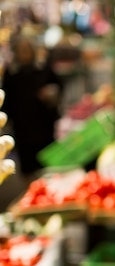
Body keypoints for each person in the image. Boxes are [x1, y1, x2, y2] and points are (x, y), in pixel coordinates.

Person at [1, 35, 63, 179]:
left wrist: (51, 92)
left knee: (47, 161)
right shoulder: (11, 73)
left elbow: (58, 86)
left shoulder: (44, 69)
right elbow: (6, 100)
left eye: (28, 49)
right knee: (28, 166)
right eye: (21, 50)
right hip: (22, 127)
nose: (25, 53)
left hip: (44, 124)